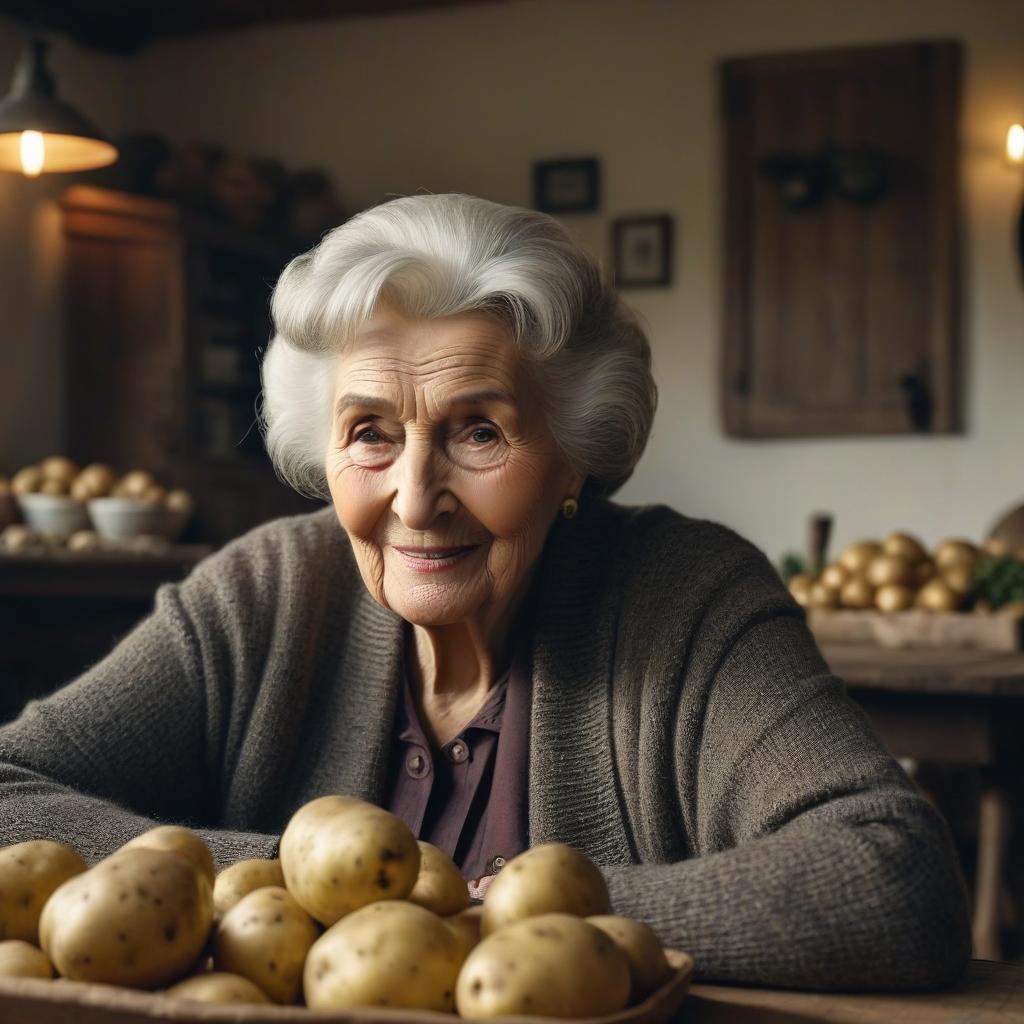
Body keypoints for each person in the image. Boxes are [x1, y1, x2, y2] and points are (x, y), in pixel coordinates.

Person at [0, 193, 970, 990]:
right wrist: (301, 897)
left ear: (575, 457)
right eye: (370, 432)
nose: (414, 498)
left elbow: (890, 882)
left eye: (478, 433)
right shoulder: (264, 592)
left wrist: (461, 914)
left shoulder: (686, 597)